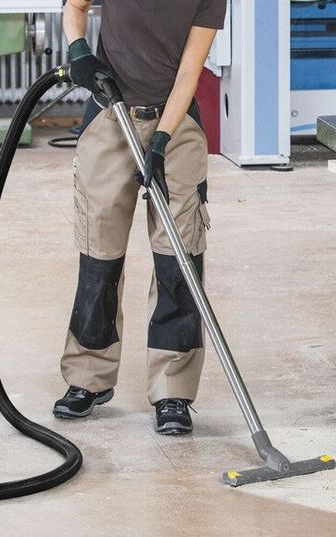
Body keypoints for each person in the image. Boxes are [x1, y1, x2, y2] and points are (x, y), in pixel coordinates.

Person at [52, 0, 225, 436]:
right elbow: (74, 8)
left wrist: (162, 140)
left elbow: (190, 70)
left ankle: (173, 390)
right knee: (99, 256)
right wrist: (80, 52)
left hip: (176, 122)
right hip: (109, 119)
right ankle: (88, 377)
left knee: (178, 260)